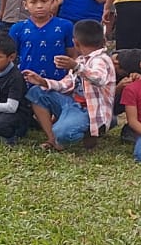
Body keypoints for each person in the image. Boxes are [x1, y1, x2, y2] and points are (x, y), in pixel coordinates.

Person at [25, 20, 115, 151]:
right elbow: (66, 84)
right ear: (103, 39)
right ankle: (52, 139)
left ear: (75, 42)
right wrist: (43, 82)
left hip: (89, 111)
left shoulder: (101, 59)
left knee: (62, 133)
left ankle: (90, 131)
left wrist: (76, 67)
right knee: (36, 92)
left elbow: (98, 79)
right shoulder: (81, 59)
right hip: (73, 104)